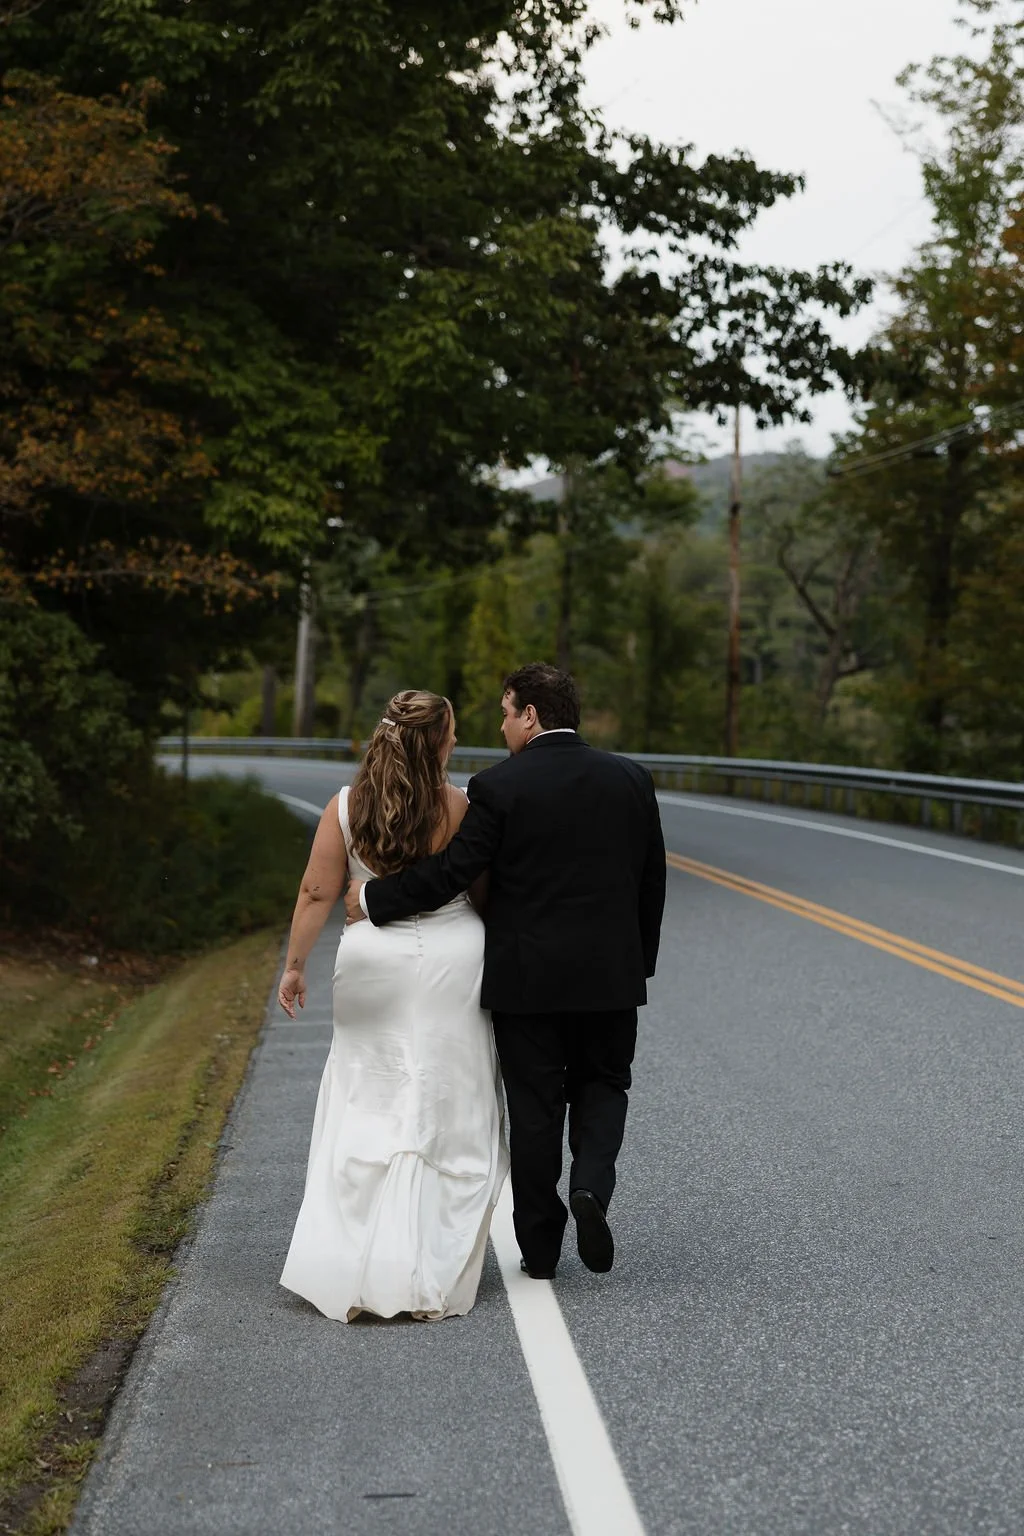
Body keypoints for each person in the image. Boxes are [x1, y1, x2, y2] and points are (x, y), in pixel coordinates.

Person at [345, 662, 665, 1281]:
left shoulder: (499, 787)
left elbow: (452, 874)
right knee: (603, 1085)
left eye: (505, 711)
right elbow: (651, 883)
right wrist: (637, 964)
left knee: (535, 1107)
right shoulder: (631, 779)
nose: (500, 724)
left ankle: (541, 1251)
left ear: (532, 716)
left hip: (527, 982)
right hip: (609, 977)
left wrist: (372, 900)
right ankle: (592, 1188)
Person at [277, 690, 508, 1322]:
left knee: (368, 1092)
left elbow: (316, 891)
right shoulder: (457, 805)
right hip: (453, 961)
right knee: (445, 1097)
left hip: (371, 962)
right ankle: (424, 1257)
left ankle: (353, 1253)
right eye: (452, 732)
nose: (457, 742)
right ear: (435, 742)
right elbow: (477, 890)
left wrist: (295, 966)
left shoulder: (346, 808)